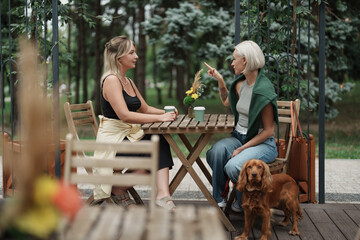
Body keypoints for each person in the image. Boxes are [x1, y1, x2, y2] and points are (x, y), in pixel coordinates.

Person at [93, 35, 177, 210]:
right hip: (114, 144)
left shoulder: (127, 81)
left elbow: (144, 109)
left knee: (159, 140)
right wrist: (160, 118)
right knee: (156, 145)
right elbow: (125, 116)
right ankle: (131, 189)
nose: (136, 56)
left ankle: (156, 193)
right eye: (132, 52)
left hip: (127, 137)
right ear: (119, 57)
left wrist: (167, 112)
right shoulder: (111, 80)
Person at [204, 40, 278, 212]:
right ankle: (220, 201)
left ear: (244, 60)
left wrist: (242, 148)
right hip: (239, 137)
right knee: (217, 152)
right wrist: (220, 79)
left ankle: (243, 200)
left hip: (262, 143)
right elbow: (225, 102)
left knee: (233, 166)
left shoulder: (263, 91)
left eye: (234, 59)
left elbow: (269, 131)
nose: (232, 63)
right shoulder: (240, 84)